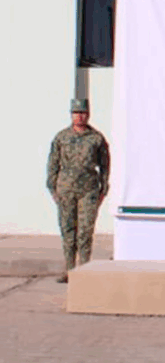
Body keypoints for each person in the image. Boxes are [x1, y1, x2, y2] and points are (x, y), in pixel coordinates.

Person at [46, 99, 110, 283]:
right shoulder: (61, 137)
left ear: (88, 114)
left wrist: (103, 189)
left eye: (83, 112)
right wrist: (52, 187)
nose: (79, 116)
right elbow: (53, 163)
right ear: (71, 114)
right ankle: (69, 270)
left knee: (85, 232)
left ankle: (84, 269)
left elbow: (105, 165)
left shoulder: (96, 138)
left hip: (88, 190)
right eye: (76, 112)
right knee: (68, 230)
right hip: (65, 189)